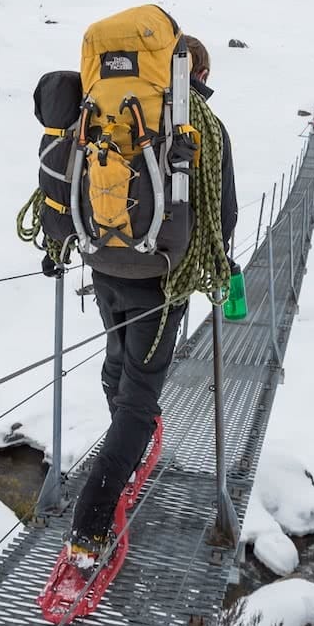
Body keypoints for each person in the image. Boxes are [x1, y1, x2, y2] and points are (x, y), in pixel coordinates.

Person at [66, 34, 238, 568]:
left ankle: (125, 436)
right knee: (140, 401)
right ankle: (90, 525)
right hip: (161, 279)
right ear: (197, 72)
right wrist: (217, 261)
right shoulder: (200, 128)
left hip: (104, 263)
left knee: (118, 362)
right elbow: (222, 215)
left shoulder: (108, 113)